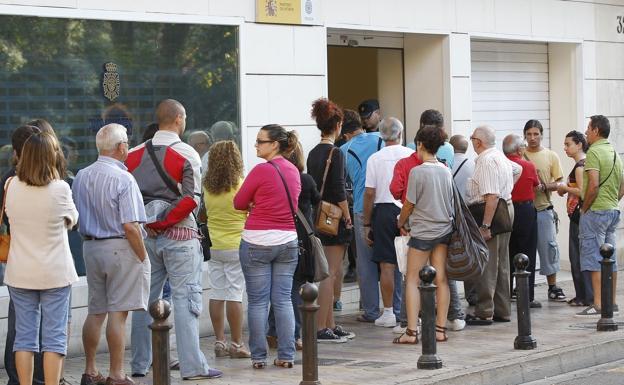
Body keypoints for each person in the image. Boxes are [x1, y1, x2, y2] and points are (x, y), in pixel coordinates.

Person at [128, 99, 222, 380]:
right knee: (185, 299)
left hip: (146, 237)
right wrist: (164, 221)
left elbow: (129, 198)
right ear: (180, 119)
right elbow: (191, 199)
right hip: (180, 235)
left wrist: (148, 223)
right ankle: (192, 366)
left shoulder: (132, 155)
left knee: (145, 299)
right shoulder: (187, 153)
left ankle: (140, 363)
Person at [72, 123, 150, 385]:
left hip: (91, 246)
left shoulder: (81, 175)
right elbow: (130, 226)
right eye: (126, 141)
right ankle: (116, 374)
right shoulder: (124, 178)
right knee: (118, 313)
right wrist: (143, 256)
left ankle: (90, 370)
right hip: (120, 246)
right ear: (121, 147)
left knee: (96, 311)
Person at [4, 130, 79, 385]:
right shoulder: (60, 188)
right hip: (55, 273)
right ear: (52, 156)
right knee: (54, 338)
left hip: (20, 272)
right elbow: (73, 220)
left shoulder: (10, 185)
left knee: (24, 338)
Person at [390, 109, 465, 333]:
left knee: (412, 279)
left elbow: (409, 204)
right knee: (441, 279)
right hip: (443, 230)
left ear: (420, 144)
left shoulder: (417, 172)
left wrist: (401, 221)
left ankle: (412, 331)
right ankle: (441, 329)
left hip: (422, 232)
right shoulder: (445, 170)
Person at [233, 124, 301, 368]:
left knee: (258, 302)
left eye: (261, 141)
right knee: (283, 300)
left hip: (256, 242)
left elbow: (238, 202)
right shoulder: (293, 170)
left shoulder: (261, 171)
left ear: (275, 145)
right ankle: (286, 355)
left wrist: (255, 203)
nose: (256, 145)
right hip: (287, 242)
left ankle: (259, 357)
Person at [307, 99, 355, 342]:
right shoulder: (336, 152)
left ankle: (330, 324)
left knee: (327, 272)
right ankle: (322, 326)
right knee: (330, 273)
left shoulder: (313, 153)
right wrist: (347, 215)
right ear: (337, 125)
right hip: (334, 219)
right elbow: (338, 190)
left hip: (317, 217)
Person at [267, 139, 320, 351]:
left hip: (277, 236)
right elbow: (318, 201)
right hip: (300, 240)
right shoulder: (305, 180)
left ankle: (272, 332)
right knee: (294, 288)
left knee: (280, 289)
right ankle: (294, 334)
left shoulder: (273, 176)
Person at [465, 125, 520, 325]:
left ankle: (485, 311)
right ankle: (502, 309)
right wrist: (509, 187)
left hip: (492, 212)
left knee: (488, 263)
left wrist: (486, 225)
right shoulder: (498, 156)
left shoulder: (486, 161)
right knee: (502, 262)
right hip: (506, 208)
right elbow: (518, 169)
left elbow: (492, 196)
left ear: (477, 142)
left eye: (472, 138)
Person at [363, 118, 413, 328]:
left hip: (383, 210)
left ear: (381, 136)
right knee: (412, 264)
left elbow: (369, 193)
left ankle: (389, 312)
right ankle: (412, 312)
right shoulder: (411, 155)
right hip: (408, 208)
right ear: (401, 133)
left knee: (387, 265)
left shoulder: (375, 158)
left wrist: (367, 223)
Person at [202, 140, 250, 358]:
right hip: (236, 245)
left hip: (215, 246)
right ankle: (237, 343)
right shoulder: (241, 184)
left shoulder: (206, 187)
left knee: (217, 292)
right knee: (234, 294)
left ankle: (219, 341)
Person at [576, 115, 623, 317]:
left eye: (588, 128)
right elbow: (623, 183)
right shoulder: (614, 152)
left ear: (596, 130)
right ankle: (611, 302)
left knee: (594, 257)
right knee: (609, 258)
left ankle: (597, 303)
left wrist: (585, 207)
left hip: (595, 211)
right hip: (612, 210)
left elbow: (593, 185)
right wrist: (614, 200)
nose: (586, 132)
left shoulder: (594, 152)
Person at [340, 109, 383, 324]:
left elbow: (344, 183)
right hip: (386, 205)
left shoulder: (344, 150)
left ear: (343, 131)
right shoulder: (381, 140)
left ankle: (371, 310)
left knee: (365, 262)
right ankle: (398, 308)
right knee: (391, 259)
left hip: (360, 207)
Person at [523, 119, 567, 302]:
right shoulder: (519, 154)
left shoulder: (551, 156)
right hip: (523, 211)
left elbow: (560, 183)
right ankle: (523, 287)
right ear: (524, 135)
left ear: (542, 135)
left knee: (548, 248)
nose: (533, 138)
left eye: (536, 134)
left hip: (543, 209)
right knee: (524, 250)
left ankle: (552, 286)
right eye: (529, 134)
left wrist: (544, 186)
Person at [503, 134, 540, 308]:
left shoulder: (500, 165)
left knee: (507, 252)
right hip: (525, 210)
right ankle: (527, 295)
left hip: (505, 209)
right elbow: (536, 184)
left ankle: (506, 293)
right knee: (528, 251)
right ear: (519, 150)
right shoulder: (527, 165)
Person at [557, 131, 593, 307]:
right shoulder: (586, 163)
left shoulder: (580, 166)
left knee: (577, 256)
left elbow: (582, 191)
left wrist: (564, 187)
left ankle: (584, 296)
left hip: (579, 216)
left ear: (579, 144)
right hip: (582, 215)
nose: (565, 148)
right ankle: (584, 294)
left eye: (568, 144)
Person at [449, 135, 475, 201]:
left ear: (450, 147)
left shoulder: (446, 164)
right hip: (467, 208)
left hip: (450, 206)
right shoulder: (474, 165)